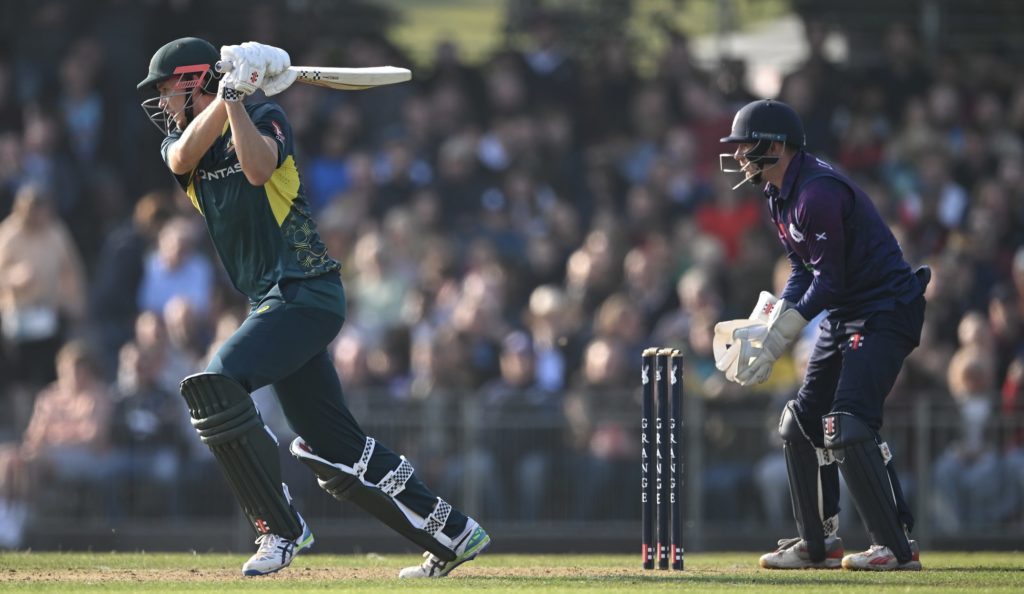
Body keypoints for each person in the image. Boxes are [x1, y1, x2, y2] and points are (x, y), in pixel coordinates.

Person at [137, 37, 489, 578]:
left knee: (216, 384)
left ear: (192, 79)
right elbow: (184, 154)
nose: (162, 102)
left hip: (306, 290)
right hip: (270, 301)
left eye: (166, 89)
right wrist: (228, 89)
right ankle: (453, 533)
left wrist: (234, 100)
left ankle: (279, 529)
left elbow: (256, 170)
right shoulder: (178, 149)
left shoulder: (265, 115)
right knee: (331, 447)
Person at [714, 99, 928, 571]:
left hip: (886, 308)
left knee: (848, 424)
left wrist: (781, 338)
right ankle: (818, 544)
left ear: (775, 146)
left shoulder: (816, 194)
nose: (741, 155)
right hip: (846, 309)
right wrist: (770, 321)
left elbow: (827, 281)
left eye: (748, 145)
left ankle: (897, 546)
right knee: (800, 423)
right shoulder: (777, 193)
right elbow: (801, 268)